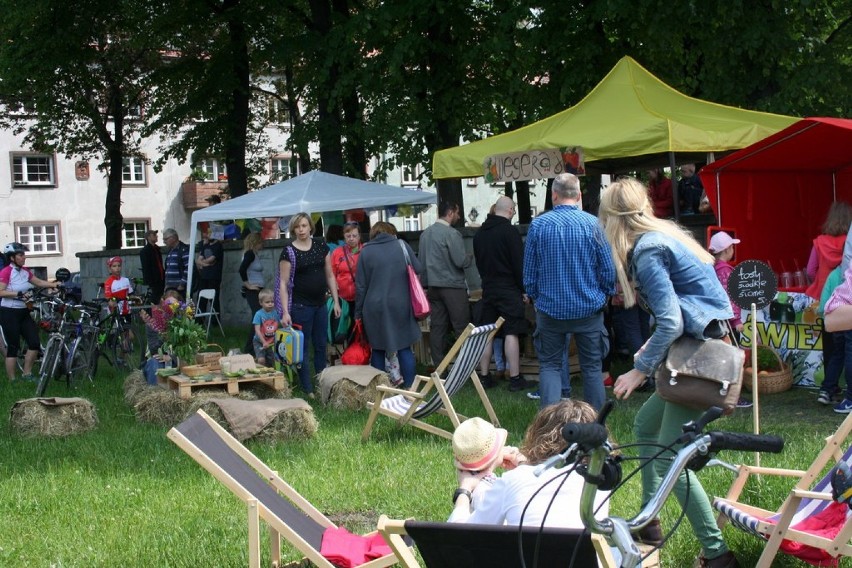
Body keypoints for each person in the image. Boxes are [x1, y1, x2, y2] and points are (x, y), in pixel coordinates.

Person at [602, 177, 740, 568]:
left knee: (670, 461)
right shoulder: (665, 236)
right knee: (646, 428)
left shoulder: (647, 250)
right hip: (697, 352)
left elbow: (671, 322)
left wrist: (639, 372)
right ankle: (649, 520)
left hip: (700, 362)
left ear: (613, 220)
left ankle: (717, 555)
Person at [523, 173, 615, 410]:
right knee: (592, 368)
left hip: (550, 310)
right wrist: (604, 295)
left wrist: (535, 297)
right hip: (588, 309)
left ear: (554, 195)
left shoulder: (538, 225)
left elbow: (529, 273)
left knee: (551, 366)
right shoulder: (594, 225)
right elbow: (607, 270)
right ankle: (596, 424)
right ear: (579, 195)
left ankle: (550, 424)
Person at [448, 400, 609, 529]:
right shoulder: (600, 483)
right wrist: (525, 464)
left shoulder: (512, 480)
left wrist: (464, 490)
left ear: (540, 436)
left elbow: (460, 537)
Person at [276, 213, 341, 396]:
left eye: (304, 225)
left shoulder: (321, 246)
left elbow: (329, 275)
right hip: (300, 306)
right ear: (293, 229)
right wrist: (285, 312)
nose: (302, 230)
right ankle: (307, 389)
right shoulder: (289, 251)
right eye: (298, 227)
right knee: (302, 348)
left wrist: (335, 301)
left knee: (321, 345)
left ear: (310, 226)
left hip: (321, 305)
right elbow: (283, 283)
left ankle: (321, 383)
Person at [355, 222, 422, 388]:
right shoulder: (402, 245)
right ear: (392, 232)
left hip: (374, 307)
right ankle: (410, 387)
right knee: (404, 346)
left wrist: (357, 313)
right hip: (401, 304)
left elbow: (361, 286)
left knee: (377, 348)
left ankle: (379, 389)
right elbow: (418, 268)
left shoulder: (366, 251)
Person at [473, 196, 529, 391]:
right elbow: (518, 264)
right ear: (511, 210)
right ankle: (515, 378)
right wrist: (524, 289)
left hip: (488, 288)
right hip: (508, 289)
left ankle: (484, 377)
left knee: (487, 333)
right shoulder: (509, 232)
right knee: (511, 332)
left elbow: (479, 263)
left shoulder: (479, 234)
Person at [418, 201, 472, 365]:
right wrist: (469, 257)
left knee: (438, 327)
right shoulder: (451, 234)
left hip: (433, 287)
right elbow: (459, 261)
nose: (459, 216)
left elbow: (421, 263)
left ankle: (440, 367)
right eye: (457, 212)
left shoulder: (425, 234)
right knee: (461, 327)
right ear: (450, 212)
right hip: (453, 287)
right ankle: (465, 367)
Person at [0, 242, 61, 382]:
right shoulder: (6, 272)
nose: (24, 257)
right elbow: (1, 292)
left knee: (34, 342)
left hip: (24, 311)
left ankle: (27, 374)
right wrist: (18, 294)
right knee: (13, 346)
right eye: (20, 255)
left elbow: (38, 282)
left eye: (24, 255)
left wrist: (54, 284)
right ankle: (12, 380)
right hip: (9, 312)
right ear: (12, 258)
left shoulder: (25, 271)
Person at [708, 231, 752, 410]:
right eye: (732, 247)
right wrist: (736, 321)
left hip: (716, 322)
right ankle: (733, 397)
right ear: (726, 250)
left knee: (720, 360)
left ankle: (717, 395)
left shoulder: (710, 268)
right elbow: (729, 299)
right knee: (734, 360)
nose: (733, 250)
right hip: (727, 324)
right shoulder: (726, 271)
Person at [806, 201, 852, 301]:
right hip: (843, 295)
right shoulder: (848, 243)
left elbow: (810, 271)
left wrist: (819, 282)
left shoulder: (819, 241)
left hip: (820, 293)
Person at [239, 232, 266, 354]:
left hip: (258, 289)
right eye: (260, 242)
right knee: (257, 317)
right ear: (256, 242)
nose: (262, 245)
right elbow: (241, 269)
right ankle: (249, 349)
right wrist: (248, 284)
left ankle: (255, 346)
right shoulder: (250, 254)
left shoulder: (252, 254)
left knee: (258, 317)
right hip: (253, 290)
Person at [331, 221, 363, 316]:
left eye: (354, 236)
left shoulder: (366, 251)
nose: (351, 239)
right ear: (344, 236)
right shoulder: (337, 253)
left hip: (362, 298)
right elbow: (331, 275)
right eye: (348, 236)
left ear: (359, 236)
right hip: (342, 299)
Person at [194, 227, 224, 315]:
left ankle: (215, 322)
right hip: (203, 276)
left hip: (214, 277)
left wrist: (203, 263)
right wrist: (205, 263)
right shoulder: (205, 246)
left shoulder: (218, 246)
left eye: (211, 233)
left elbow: (212, 259)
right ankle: (200, 321)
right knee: (201, 298)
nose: (209, 235)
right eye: (208, 233)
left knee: (214, 299)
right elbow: (198, 260)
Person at [252, 288, 279, 367]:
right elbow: (257, 330)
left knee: (272, 362)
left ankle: (270, 376)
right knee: (261, 360)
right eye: (267, 302)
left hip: (272, 342)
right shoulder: (258, 314)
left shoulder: (276, 313)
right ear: (261, 303)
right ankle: (259, 374)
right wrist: (263, 342)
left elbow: (281, 323)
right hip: (259, 342)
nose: (270, 304)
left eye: (272, 302)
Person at [139, 229, 164, 304]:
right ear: (148, 237)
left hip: (161, 278)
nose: (156, 236)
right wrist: (149, 280)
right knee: (155, 298)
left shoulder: (157, 249)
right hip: (154, 279)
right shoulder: (145, 251)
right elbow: (146, 267)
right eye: (154, 235)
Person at [163, 228, 190, 296]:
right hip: (170, 288)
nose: (164, 241)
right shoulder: (170, 251)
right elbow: (168, 269)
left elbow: (188, 268)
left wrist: (182, 284)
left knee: (181, 306)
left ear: (174, 238)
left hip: (180, 289)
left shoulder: (184, 250)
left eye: (166, 239)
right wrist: (167, 284)